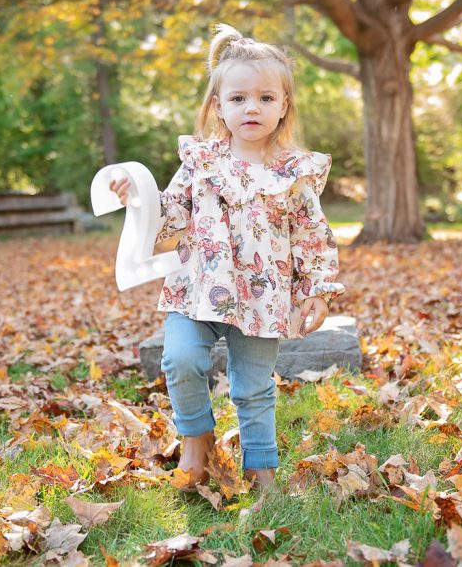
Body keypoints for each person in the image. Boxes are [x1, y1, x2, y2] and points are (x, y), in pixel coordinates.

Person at [110, 24, 344, 492]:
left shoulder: (292, 173)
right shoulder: (201, 162)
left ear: (283, 107)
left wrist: (317, 290)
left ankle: (261, 470)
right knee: (178, 359)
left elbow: (313, 235)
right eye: (237, 99)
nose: (251, 107)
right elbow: (171, 214)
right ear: (219, 107)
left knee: (253, 387)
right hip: (198, 288)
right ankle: (197, 440)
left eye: (264, 98)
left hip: (263, 295)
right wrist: (135, 197)